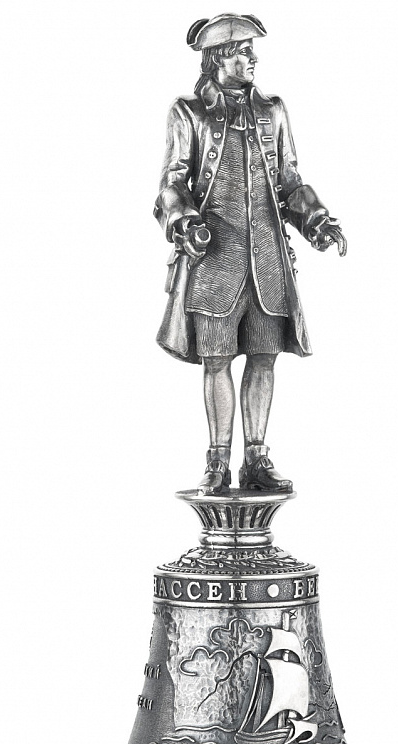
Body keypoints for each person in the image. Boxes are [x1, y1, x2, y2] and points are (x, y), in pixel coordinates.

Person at [155, 13, 346, 494]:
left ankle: (256, 459)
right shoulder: (188, 113)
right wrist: (185, 222)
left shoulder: (273, 111)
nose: (252, 58)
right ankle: (218, 462)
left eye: (251, 50)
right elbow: (171, 184)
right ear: (217, 59)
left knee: (264, 358)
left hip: (268, 260)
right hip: (214, 262)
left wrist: (318, 221)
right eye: (241, 51)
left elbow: (290, 182)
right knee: (216, 361)